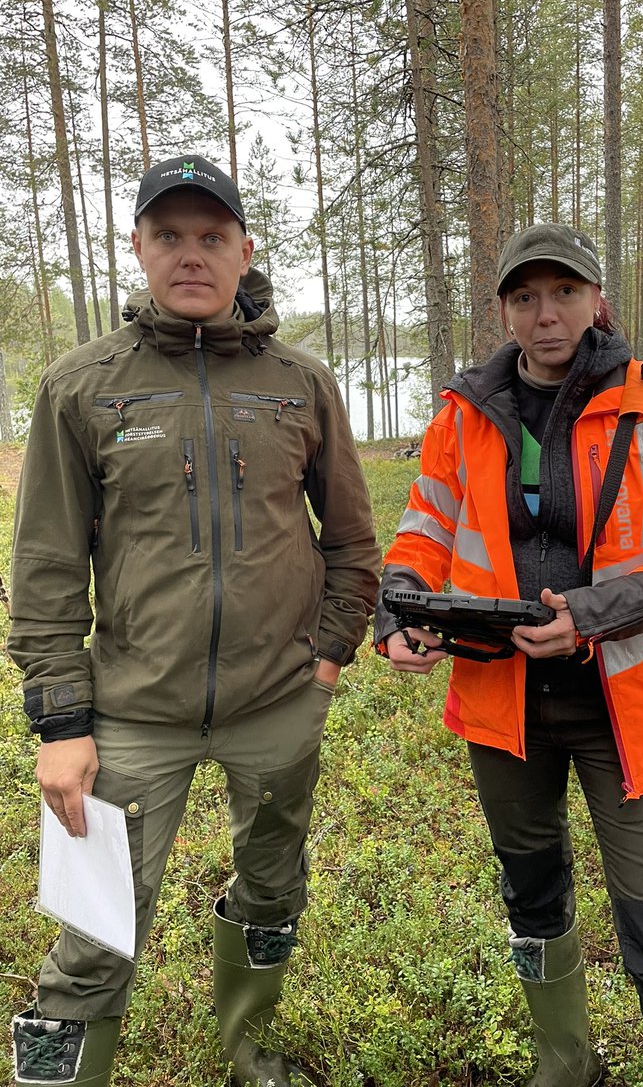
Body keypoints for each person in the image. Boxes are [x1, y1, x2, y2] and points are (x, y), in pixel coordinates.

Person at [9, 154, 381, 1087]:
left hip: (278, 707)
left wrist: (327, 659)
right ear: (137, 247)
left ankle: (248, 1050)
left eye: (211, 236)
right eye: (168, 235)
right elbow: (46, 568)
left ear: (244, 249)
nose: (191, 254)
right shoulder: (81, 386)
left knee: (271, 889)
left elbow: (352, 539)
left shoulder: (300, 381)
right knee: (95, 924)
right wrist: (61, 723)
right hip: (132, 713)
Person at [375, 223, 643, 1087]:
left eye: (565, 293)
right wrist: (398, 612)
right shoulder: (463, 416)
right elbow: (422, 529)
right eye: (527, 297)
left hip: (628, 704)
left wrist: (589, 616)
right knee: (531, 893)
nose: (547, 315)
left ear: (596, 299)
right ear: (503, 308)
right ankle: (562, 1063)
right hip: (503, 705)